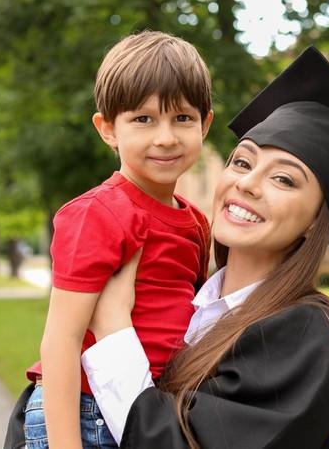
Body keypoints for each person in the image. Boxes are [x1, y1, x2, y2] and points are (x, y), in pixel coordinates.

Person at [5, 46, 329, 449]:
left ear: (315, 221)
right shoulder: (193, 301)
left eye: (283, 179)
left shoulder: (310, 336)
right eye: (242, 162)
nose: (246, 183)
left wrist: (115, 327)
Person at [20, 31, 214, 449]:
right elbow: (61, 338)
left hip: (142, 405)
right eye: (143, 119)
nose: (165, 137)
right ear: (107, 129)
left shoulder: (197, 222)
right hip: (85, 410)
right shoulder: (98, 213)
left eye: (182, 118)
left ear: (206, 123)